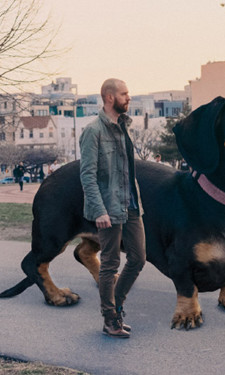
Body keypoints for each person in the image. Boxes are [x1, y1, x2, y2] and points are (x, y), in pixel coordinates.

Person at [79, 78, 146, 339]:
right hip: (108, 207)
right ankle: (110, 319)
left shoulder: (124, 127)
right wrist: (99, 210)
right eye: (124, 94)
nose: (129, 98)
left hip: (131, 205)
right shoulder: (93, 131)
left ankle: (115, 306)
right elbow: (87, 175)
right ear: (109, 97)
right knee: (109, 264)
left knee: (139, 258)